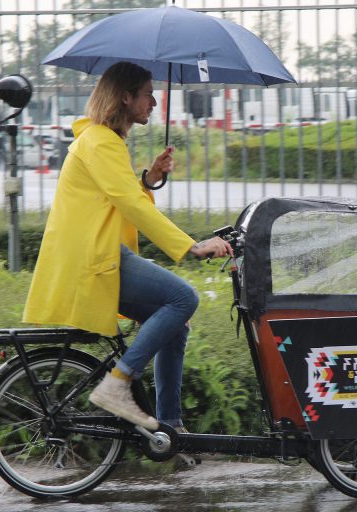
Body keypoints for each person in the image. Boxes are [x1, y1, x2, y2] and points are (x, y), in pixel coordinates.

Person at [22, 61, 232, 432]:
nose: (155, 102)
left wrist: (149, 179)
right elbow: (130, 205)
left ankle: (170, 426)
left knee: (176, 326)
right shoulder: (102, 142)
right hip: (96, 258)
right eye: (149, 93)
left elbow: (123, 195)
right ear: (126, 97)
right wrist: (191, 247)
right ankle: (118, 384)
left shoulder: (103, 140)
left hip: (96, 254)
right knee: (185, 299)